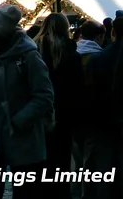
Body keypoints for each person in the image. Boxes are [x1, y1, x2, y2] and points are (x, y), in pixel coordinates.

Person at [0, 4, 54, 199]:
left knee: (24, 189)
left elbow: (44, 95)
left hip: (22, 133)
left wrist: (19, 120)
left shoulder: (28, 56)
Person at [34, 16, 80, 199]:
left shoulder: (33, 50)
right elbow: (76, 86)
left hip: (37, 110)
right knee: (61, 158)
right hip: (64, 112)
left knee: (39, 158)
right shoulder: (70, 52)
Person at [71, 21, 112, 199]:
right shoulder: (100, 57)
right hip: (93, 114)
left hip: (73, 113)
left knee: (76, 158)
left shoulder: (71, 54)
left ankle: (76, 190)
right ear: (99, 36)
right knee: (92, 159)